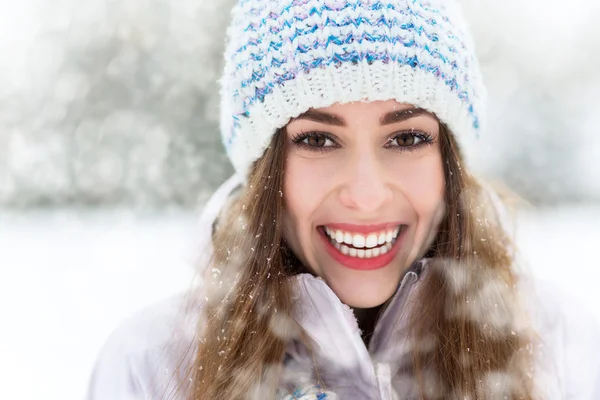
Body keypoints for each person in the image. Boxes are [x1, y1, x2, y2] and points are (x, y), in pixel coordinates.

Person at [87, 0, 600, 399]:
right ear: (266, 168)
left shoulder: (556, 345)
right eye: (316, 139)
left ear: (449, 160)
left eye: (405, 138)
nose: (365, 195)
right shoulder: (154, 366)